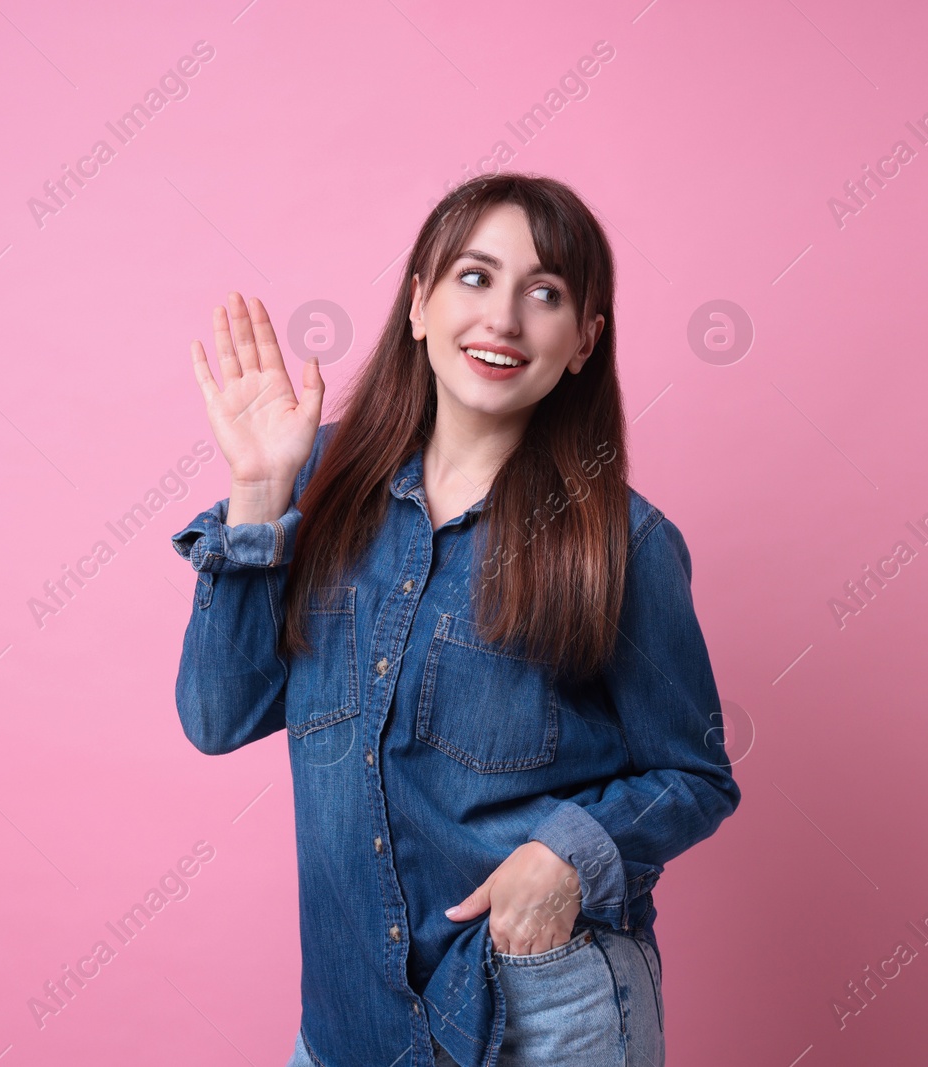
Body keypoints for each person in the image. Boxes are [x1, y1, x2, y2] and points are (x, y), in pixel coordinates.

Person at [169, 173, 741, 1067]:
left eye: (543, 293)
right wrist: (257, 494)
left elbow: (696, 774)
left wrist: (566, 856)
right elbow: (217, 716)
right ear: (419, 304)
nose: (503, 319)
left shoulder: (624, 542)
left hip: (541, 1010)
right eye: (474, 278)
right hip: (351, 1026)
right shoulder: (315, 488)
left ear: (584, 340)